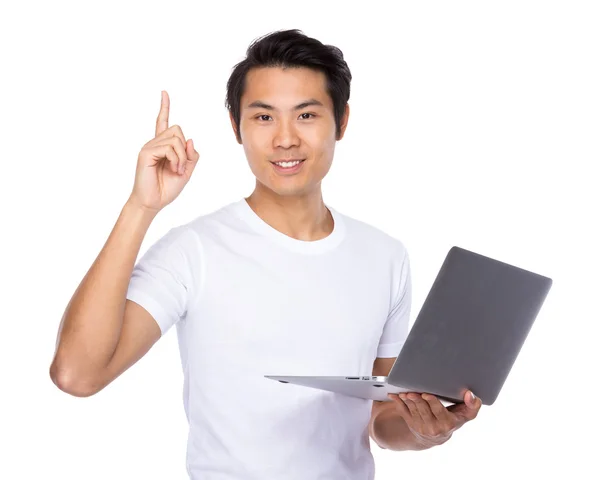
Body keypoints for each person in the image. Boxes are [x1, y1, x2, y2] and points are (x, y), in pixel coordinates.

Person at [50, 29, 481, 480]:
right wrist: (141, 207)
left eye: (307, 114)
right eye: (263, 118)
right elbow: (78, 374)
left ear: (343, 120)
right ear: (236, 127)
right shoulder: (194, 250)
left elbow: (383, 420)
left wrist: (428, 430)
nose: (285, 139)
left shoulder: (386, 256)